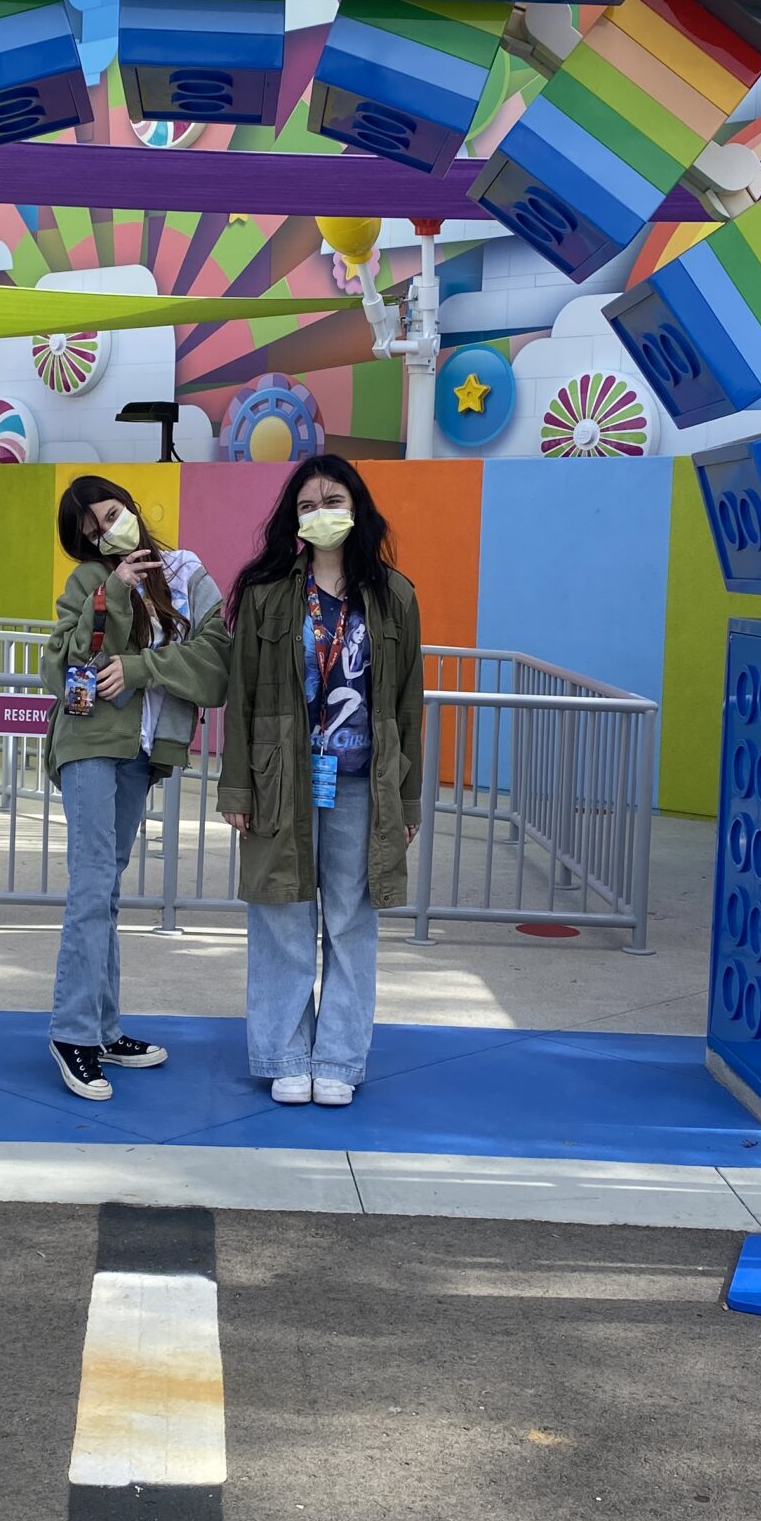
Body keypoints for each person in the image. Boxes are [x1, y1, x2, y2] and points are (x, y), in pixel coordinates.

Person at [219, 458, 423, 1108]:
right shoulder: (266, 593)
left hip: (363, 784)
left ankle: (337, 1057)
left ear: (357, 509)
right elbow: (241, 697)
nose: (321, 513)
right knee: (280, 917)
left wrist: (409, 801)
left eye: (334, 500)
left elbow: (408, 705)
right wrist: (237, 789)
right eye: (308, 504)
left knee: (351, 923)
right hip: (281, 782)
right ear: (294, 519)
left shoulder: (394, 595)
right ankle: (284, 1054)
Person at [43, 478, 228, 1103]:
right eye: (93, 530)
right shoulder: (88, 584)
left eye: (111, 514)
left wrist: (144, 668)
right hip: (89, 741)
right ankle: (72, 1033)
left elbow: (216, 664)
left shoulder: (186, 573)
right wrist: (113, 594)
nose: (107, 531)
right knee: (92, 884)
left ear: (130, 507)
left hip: (142, 753)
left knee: (106, 890)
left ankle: (102, 1028)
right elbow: (64, 669)